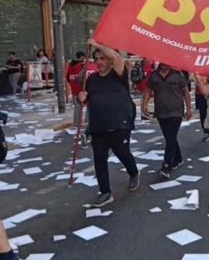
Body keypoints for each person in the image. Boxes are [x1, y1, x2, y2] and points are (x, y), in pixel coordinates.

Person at [78, 39, 139, 207]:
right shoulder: (92, 80)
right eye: (96, 59)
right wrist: (81, 98)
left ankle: (133, 172)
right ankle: (105, 192)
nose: (98, 62)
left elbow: (118, 59)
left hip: (119, 124)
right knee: (99, 159)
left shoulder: (119, 74)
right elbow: (85, 99)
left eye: (102, 59)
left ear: (110, 60)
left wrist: (97, 44)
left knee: (123, 153)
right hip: (98, 126)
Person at [142, 63, 192, 179]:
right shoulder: (154, 76)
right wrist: (145, 104)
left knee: (170, 138)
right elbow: (148, 90)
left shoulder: (177, 75)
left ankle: (166, 165)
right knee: (170, 137)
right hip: (161, 112)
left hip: (176, 112)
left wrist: (189, 109)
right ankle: (178, 158)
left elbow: (185, 91)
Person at [67, 51, 87, 128]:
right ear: (82, 57)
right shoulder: (81, 65)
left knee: (77, 107)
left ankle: (76, 123)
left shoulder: (70, 65)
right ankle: (82, 123)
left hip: (73, 88)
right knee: (84, 106)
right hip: (80, 89)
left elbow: (68, 77)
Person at [195, 74, 209, 141]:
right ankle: (206, 131)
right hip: (200, 94)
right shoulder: (197, 70)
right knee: (203, 114)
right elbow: (191, 78)